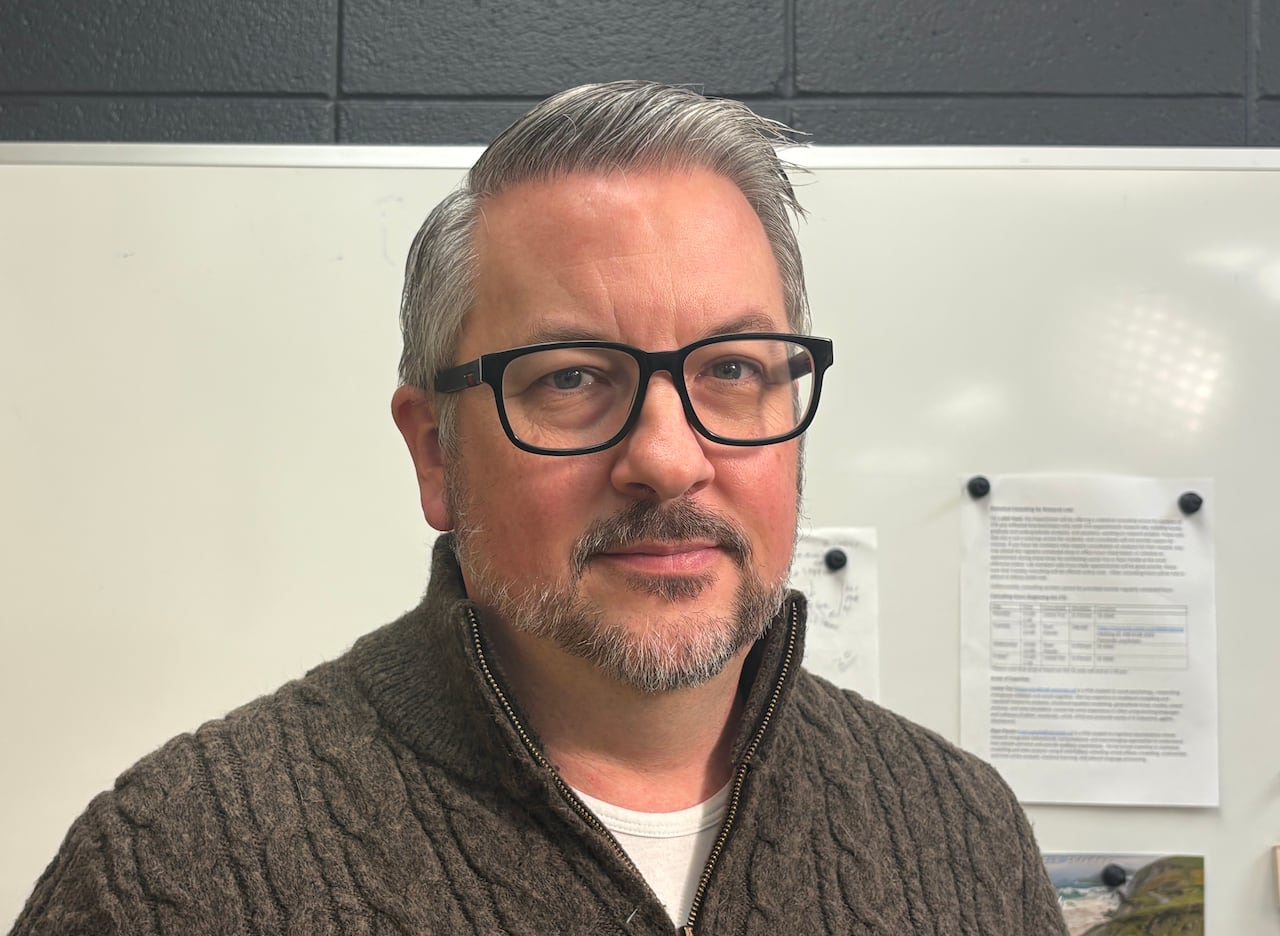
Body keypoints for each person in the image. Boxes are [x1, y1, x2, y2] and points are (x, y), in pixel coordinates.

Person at [10, 81, 1067, 935]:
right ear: (436, 452)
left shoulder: (958, 832)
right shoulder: (178, 866)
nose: (666, 459)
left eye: (735, 368)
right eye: (569, 378)